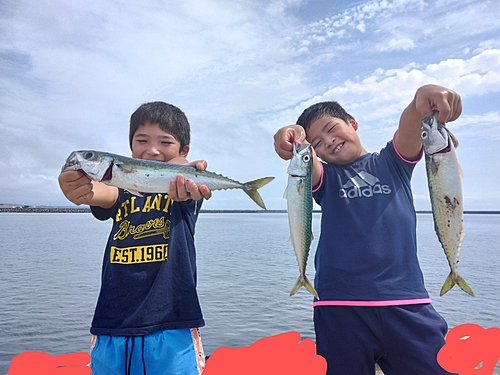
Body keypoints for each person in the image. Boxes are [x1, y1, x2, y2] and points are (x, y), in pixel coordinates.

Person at [273, 84, 462, 375]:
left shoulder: (392, 162)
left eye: (332, 128)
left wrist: (422, 99)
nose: (328, 141)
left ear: (352, 122)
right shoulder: (325, 178)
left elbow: (411, 127)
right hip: (338, 306)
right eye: (318, 143)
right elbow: (301, 159)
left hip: (407, 301)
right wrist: (290, 136)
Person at [58, 101, 212, 375]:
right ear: (130, 148)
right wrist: (78, 188)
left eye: (165, 142)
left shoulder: (184, 191)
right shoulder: (120, 188)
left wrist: (184, 170)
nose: (152, 150)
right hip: (112, 323)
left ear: (183, 150)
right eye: (142, 140)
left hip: (172, 323)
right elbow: (100, 193)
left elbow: (180, 169)